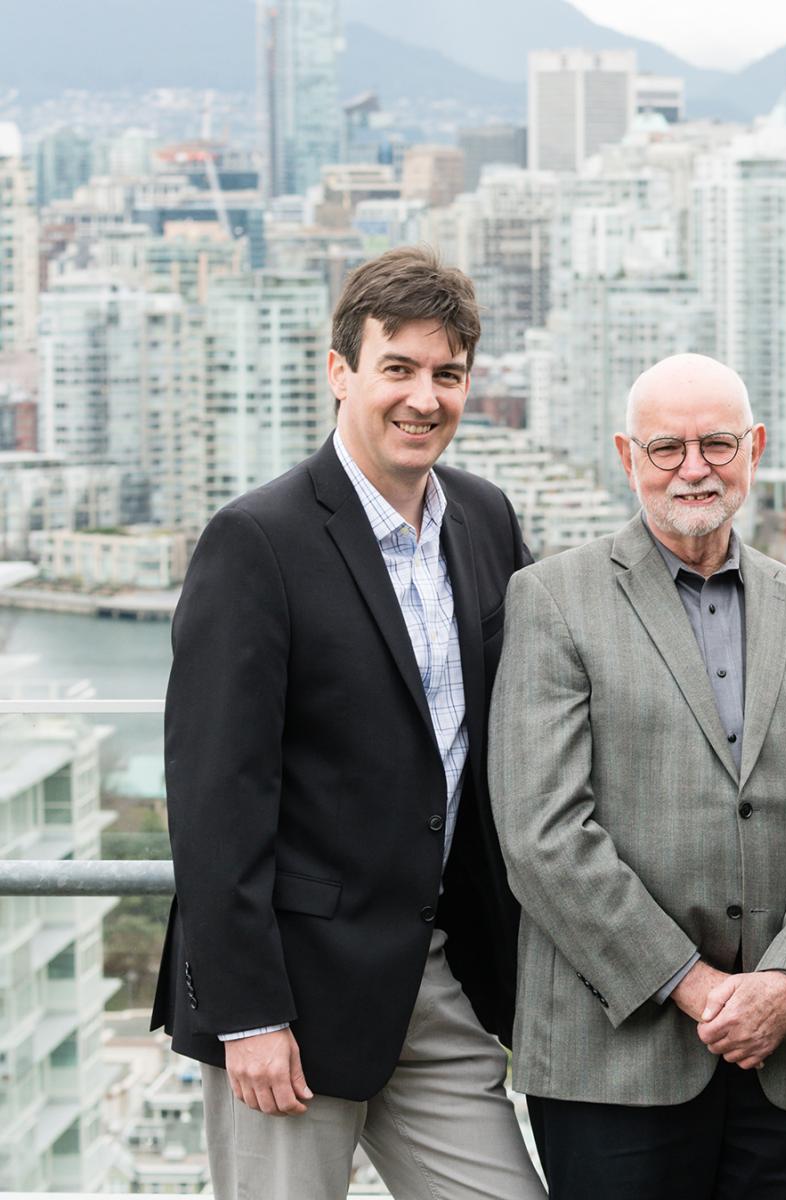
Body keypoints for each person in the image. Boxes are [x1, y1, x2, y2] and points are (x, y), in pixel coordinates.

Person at [152, 247, 544, 1199]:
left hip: (439, 977)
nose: (423, 398)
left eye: (446, 374)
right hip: (290, 997)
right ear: (341, 372)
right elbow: (214, 797)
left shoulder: (485, 520)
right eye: (397, 369)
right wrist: (247, 1015)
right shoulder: (258, 540)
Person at [487, 352, 786, 1199]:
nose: (694, 468)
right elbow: (541, 832)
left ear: (756, 449)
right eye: (667, 449)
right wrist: (698, 989)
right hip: (614, 1059)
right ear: (627, 458)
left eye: (717, 444)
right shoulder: (551, 600)